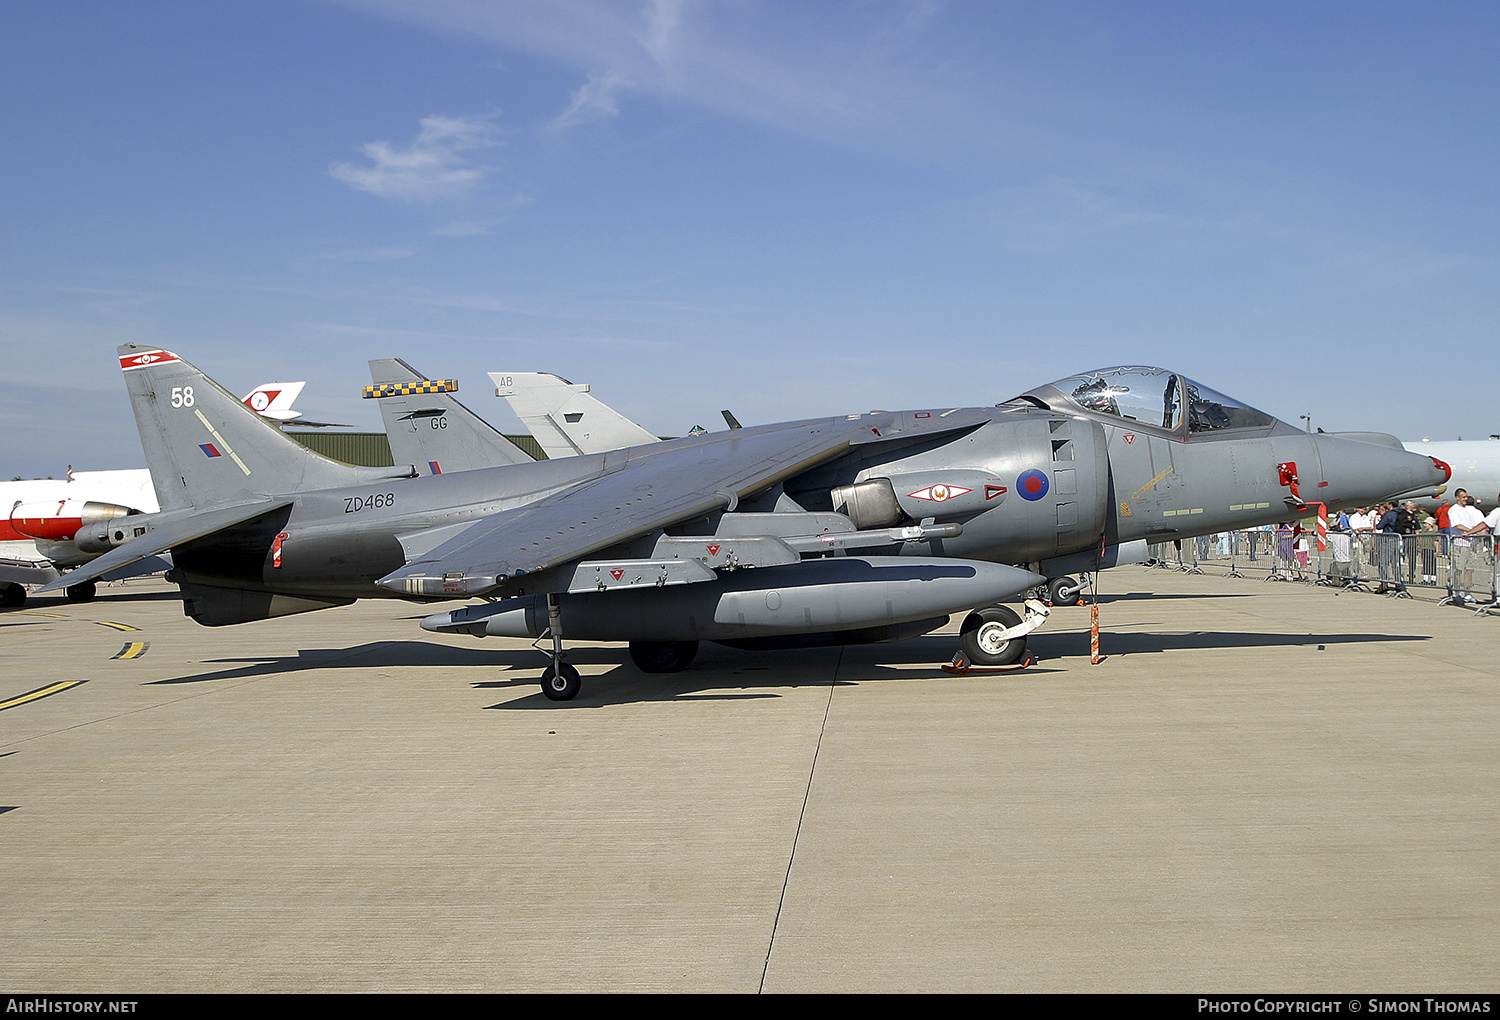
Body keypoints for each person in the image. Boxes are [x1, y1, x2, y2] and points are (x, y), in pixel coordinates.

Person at [1448, 489, 1485, 601]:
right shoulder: (1454, 510)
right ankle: (1457, 592)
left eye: (1466, 497)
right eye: (1463, 497)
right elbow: (1457, 525)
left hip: (1471, 544)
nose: (1465, 499)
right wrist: (1471, 531)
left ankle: (1468, 592)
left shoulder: (1470, 509)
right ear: (1457, 497)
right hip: (1459, 543)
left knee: (1469, 569)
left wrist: (1476, 531)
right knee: (1458, 569)